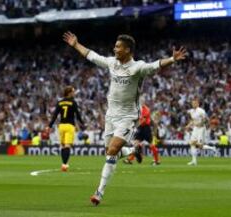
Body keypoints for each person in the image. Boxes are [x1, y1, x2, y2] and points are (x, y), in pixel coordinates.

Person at [63, 31, 187, 206]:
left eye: (118, 46)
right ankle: (132, 151)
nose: (114, 48)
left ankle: (99, 192)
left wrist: (172, 59)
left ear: (128, 50)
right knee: (110, 151)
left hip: (128, 117)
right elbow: (92, 55)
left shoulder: (138, 67)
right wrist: (76, 44)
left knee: (112, 151)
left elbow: (155, 65)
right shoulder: (112, 63)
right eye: (115, 45)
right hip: (111, 115)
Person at [49, 85, 85, 172]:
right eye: (73, 91)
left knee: (62, 146)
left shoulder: (60, 102)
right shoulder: (73, 102)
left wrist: (49, 125)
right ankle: (65, 165)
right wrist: (82, 123)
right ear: (69, 93)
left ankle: (63, 163)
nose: (74, 93)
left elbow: (55, 115)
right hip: (70, 126)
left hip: (61, 126)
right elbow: (78, 114)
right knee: (67, 146)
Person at [185, 97, 217, 166]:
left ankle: (212, 148)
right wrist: (188, 125)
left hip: (201, 129)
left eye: (195, 103)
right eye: (192, 103)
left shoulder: (201, 111)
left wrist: (200, 123)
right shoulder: (191, 111)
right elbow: (193, 120)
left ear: (198, 104)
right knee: (191, 143)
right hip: (195, 129)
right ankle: (194, 161)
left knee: (200, 146)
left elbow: (206, 119)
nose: (193, 104)